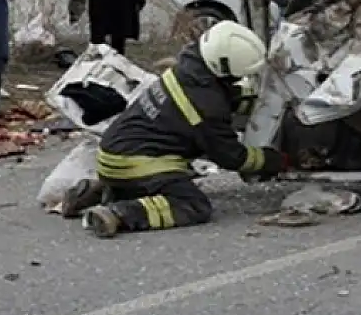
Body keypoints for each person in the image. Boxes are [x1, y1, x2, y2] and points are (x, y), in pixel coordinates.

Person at [58, 21, 290, 238]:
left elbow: (212, 95)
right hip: (138, 163)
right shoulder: (206, 106)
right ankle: (119, 213)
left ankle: (101, 191)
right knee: (193, 205)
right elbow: (230, 156)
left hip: (112, 152)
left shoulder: (189, 64)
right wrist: (272, 160)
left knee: (150, 182)